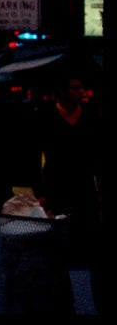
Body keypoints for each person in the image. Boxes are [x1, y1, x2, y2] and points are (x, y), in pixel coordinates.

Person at [37, 76, 102, 313]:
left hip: (84, 188)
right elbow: (37, 156)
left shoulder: (90, 116)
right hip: (57, 188)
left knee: (95, 249)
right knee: (58, 251)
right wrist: (41, 194)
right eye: (75, 88)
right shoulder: (46, 117)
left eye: (81, 87)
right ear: (61, 91)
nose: (80, 92)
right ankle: (64, 303)